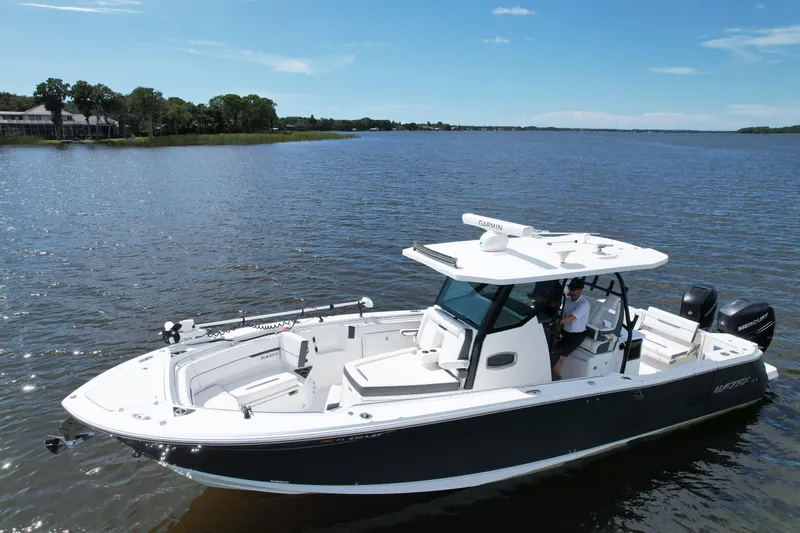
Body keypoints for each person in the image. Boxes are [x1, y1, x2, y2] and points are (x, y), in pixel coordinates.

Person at [551, 278, 591, 379]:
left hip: (576, 336)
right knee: (552, 351)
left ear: (580, 290)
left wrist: (553, 321)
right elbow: (562, 316)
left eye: (573, 289)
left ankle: (556, 379)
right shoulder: (568, 301)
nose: (570, 290)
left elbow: (570, 318)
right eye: (570, 288)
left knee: (558, 358)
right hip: (565, 332)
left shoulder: (583, 304)